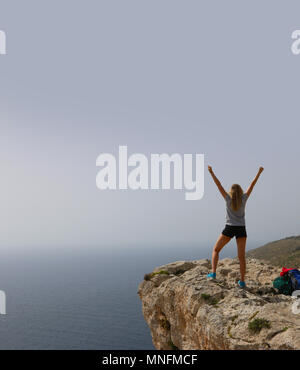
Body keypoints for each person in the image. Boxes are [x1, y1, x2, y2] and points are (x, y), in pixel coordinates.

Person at [206, 166, 264, 288]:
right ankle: (242, 282)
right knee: (241, 257)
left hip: (229, 227)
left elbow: (218, 184)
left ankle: (213, 273)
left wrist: (211, 172)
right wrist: (259, 172)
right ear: (240, 191)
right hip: (241, 228)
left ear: (231, 192)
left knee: (216, 250)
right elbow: (252, 185)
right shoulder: (244, 198)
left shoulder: (227, 198)